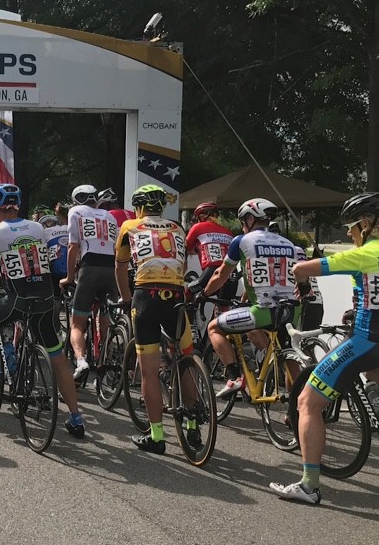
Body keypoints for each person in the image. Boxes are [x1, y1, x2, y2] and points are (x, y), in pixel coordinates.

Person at [272, 192, 379, 505]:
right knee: (377, 369)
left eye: (351, 227)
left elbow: (305, 269)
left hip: (366, 341)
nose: (349, 234)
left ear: (366, 225)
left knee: (307, 403)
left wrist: (298, 278)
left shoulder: (365, 254)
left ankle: (309, 485)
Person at [0, 183, 86, 438]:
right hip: (44, 299)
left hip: (16, 300)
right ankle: (76, 417)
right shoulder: (38, 227)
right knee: (58, 359)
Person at [115, 183, 194, 453]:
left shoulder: (130, 227)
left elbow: (121, 265)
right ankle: (193, 427)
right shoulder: (177, 228)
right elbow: (181, 266)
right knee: (185, 359)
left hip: (145, 297)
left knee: (148, 369)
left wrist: (126, 300)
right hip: (176, 296)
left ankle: (157, 435)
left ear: (139, 207)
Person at [202, 199, 306, 398]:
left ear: (250, 219)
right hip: (292, 310)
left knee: (214, 328)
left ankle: (234, 377)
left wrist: (204, 294)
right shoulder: (288, 243)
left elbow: (220, 275)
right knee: (289, 358)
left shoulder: (241, 241)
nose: (242, 225)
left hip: (264, 311)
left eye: (243, 221)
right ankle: (298, 408)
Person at [62, 183, 120, 382]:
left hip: (90, 267)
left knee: (77, 324)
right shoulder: (109, 215)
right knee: (105, 314)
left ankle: (81, 362)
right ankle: (106, 358)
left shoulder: (76, 212)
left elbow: (73, 246)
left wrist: (69, 277)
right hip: (111, 268)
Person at [185, 201, 234, 294]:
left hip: (212, 270)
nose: (198, 220)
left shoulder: (198, 227)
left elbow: (186, 246)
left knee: (189, 290)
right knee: (224, 305)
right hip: (231, 273)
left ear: (205, 216)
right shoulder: (228, 232)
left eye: (199, 216)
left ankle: (189, 309)